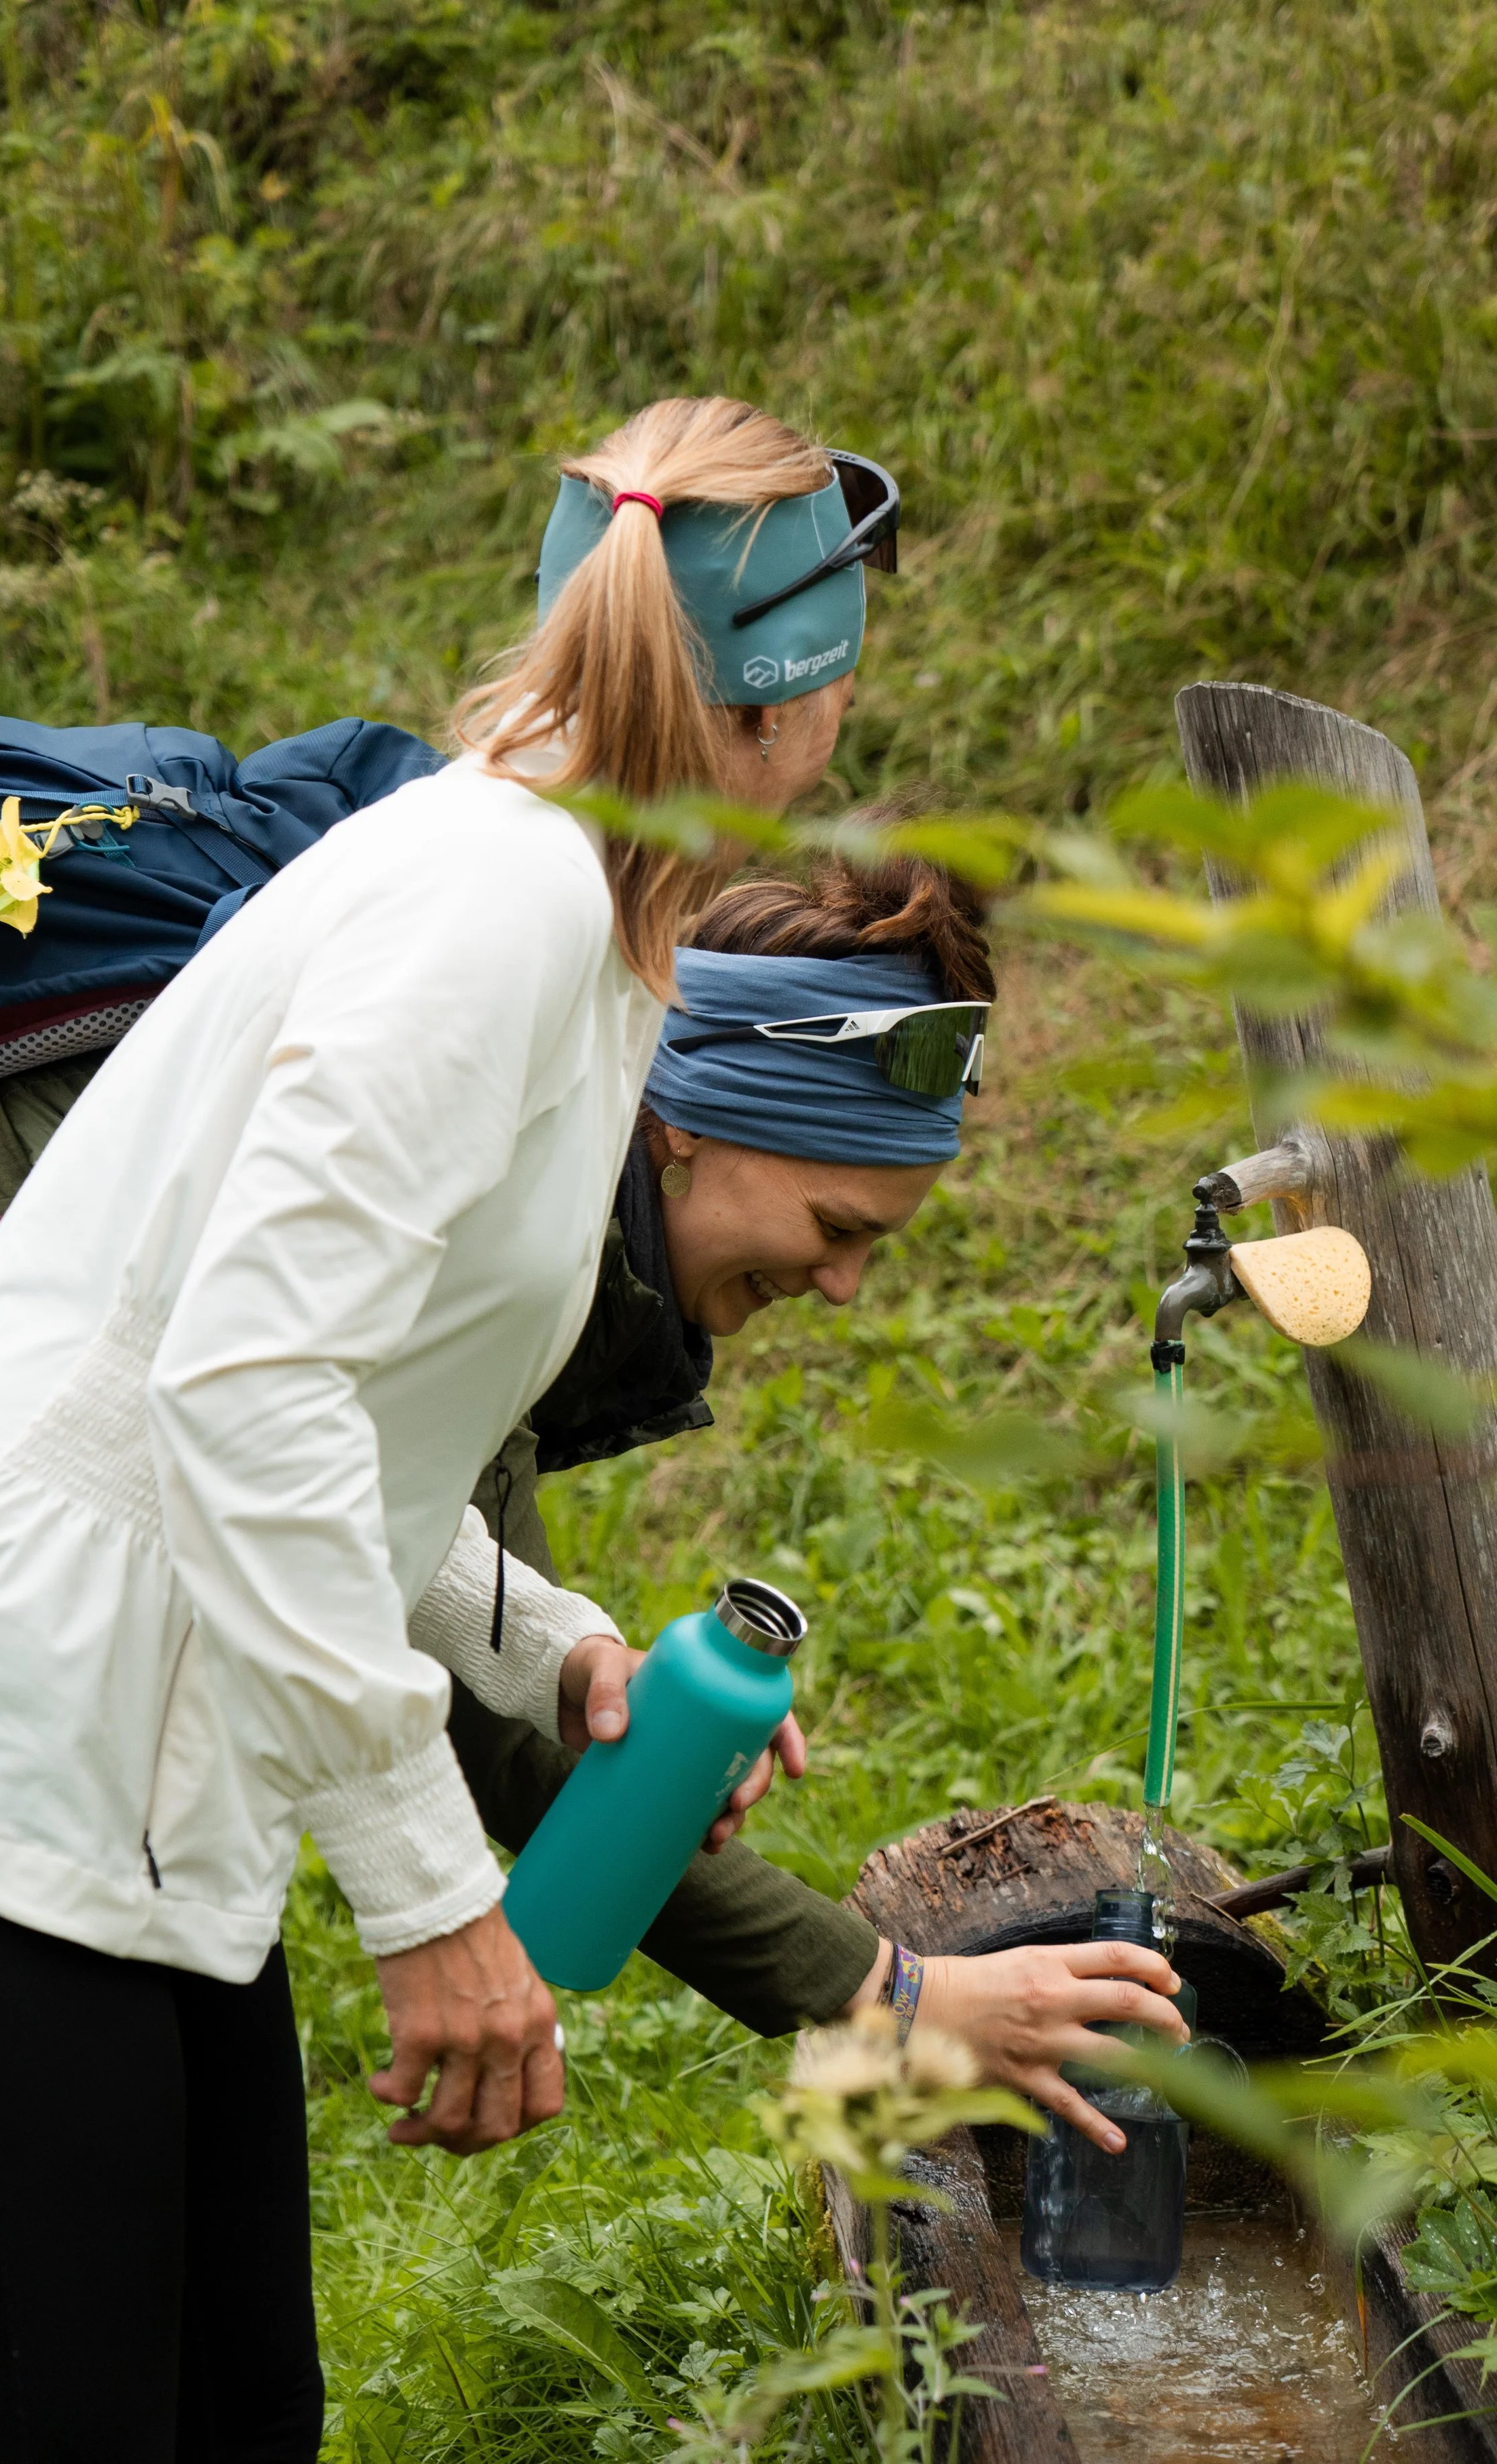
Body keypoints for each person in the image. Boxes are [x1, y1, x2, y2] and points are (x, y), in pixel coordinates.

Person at [0, 395, 886, 2463]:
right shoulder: (498, 905)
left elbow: (320, 1401)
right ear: (798, 690)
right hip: (15, 1757)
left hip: (155, 1772)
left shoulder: (574, 905)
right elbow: (241, 1383)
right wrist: (428, 1888)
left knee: (233, 2408)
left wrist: (540, 1640)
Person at [438, 839, 1189, 2128]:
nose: (842, 1288)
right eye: (837, 1228)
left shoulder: (556, 1225)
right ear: (681, 1121)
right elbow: (447, 1669)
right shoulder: (495, 1234)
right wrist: (897, 1997)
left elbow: (474, 1647)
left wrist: (592, 1674)